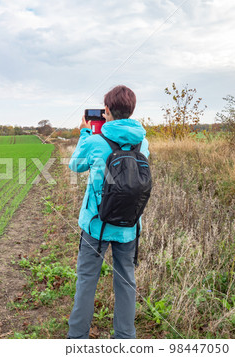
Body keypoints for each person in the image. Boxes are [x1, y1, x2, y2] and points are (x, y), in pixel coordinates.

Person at [67, 85, 149, 339]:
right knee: (126, 282)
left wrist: (84, 132)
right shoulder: (142, 141)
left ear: (106, 111)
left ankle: (78, 338)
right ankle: (125, 338)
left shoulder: (95, 141)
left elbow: (75, 166)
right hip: (129, 225)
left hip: (96, 225)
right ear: (131, 109)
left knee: (87, 280)